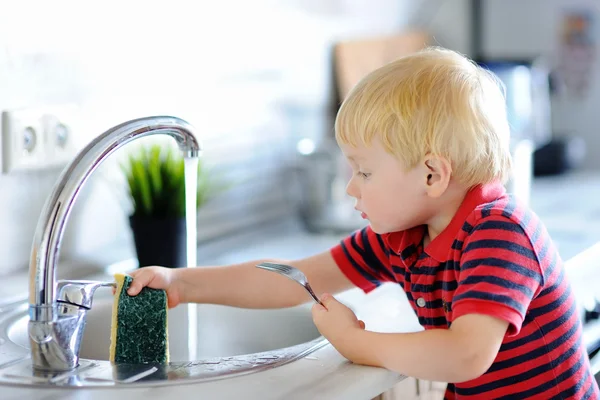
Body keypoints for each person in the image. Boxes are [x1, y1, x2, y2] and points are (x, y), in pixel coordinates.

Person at [127, 47, 599, 399]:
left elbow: (465, 355)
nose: (351, 187)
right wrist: (183, 284)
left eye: (364, 171)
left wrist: (358, 342)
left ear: (432, 174)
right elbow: (295, 278)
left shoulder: (499, 231)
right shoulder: (398, 238)